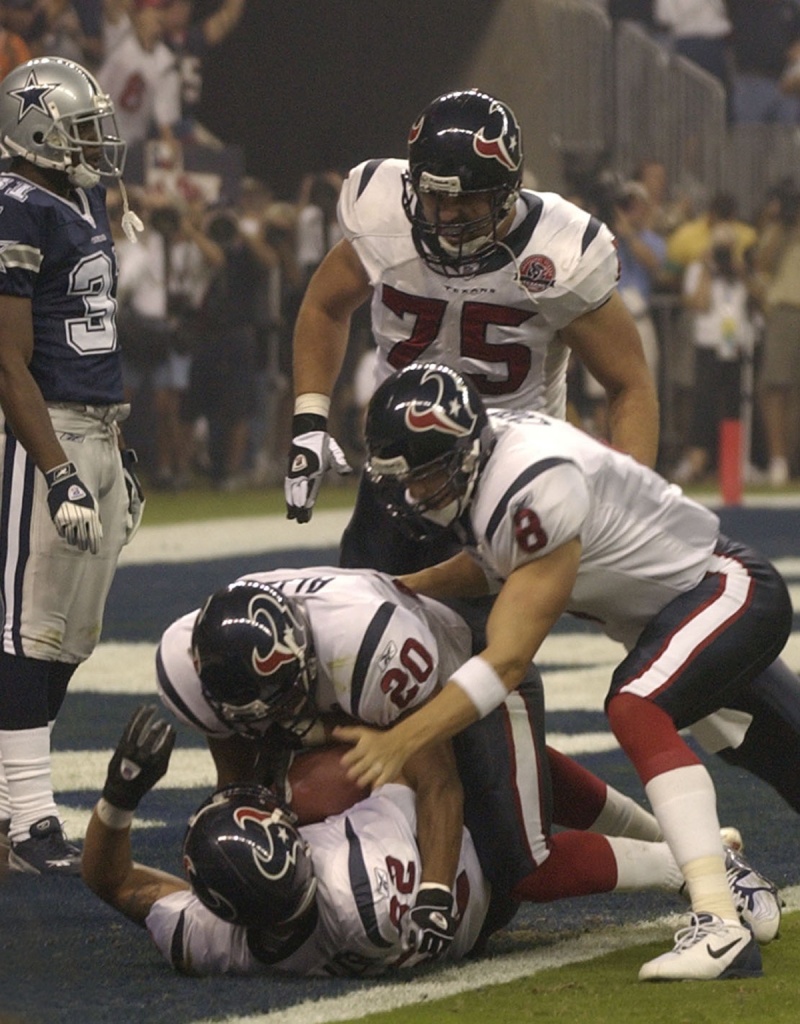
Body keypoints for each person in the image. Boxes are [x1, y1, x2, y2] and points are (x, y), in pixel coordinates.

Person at [336, 361, 800, 982]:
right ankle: (717, 870)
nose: (415, 496)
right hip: (676, 612)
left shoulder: (530, 482)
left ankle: (719, 926)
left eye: (426, 477)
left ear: (466, 454)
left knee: (636, 706)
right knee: (785, 755)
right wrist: (402, 588)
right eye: (405, 480)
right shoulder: (492, 465)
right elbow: (495, 563)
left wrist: (401, 740)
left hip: (722, 587)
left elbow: (505, 660)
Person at [155, 568, 782, 954]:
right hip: (385, 692)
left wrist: (432, 891)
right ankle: (667, 833)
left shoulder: (369, 648)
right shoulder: (190, 664)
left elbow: (438, 781)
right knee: (512, 776)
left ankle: (693, 866)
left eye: (285, 699)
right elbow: (237, 773)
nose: (277, 720)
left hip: (473, 674)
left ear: (305, 652)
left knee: (523, 861)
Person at [84, 706, 779, 977]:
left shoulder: (227, 940)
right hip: (465, 876)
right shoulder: (349, 865)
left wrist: (119, 797)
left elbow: (116, 883)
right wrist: (331, 727)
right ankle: (691, 859)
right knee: (489, 759)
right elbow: (433, 778)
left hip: (430, 906)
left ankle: (679, 842)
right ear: (300, 847)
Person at [284, 89, 659, 575]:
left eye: (464, 199)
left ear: (506, 189)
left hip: (509, 474)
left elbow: (629, 384)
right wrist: (310, 422)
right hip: (401, 464)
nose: (444, 214)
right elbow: (323, 307)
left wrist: (630, 500)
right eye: (432, 196)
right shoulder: (383, 215)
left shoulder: (560, 252)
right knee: (365, 625)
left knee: (485, 642)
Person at [0, 55, 145, 873]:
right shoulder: (14, 207)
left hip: (95, 425)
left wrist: (111, 449)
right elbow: (7, 361)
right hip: (39, 426)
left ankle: (5, 811)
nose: (96, 141)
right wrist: (53, 469)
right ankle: (29, 821)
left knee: (70, 635)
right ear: (38, 128)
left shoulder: (79, 196)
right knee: (26, 626)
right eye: (81, 125)